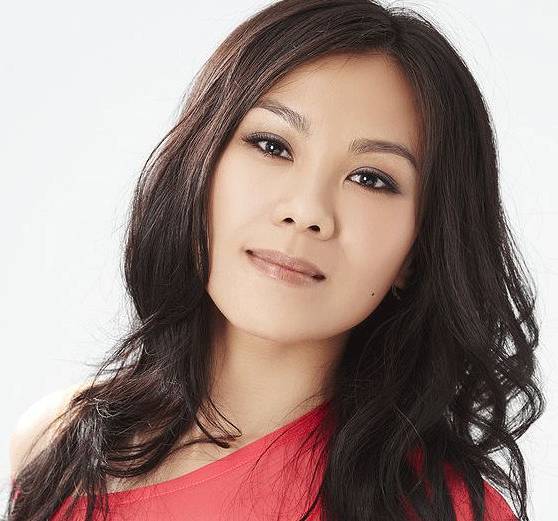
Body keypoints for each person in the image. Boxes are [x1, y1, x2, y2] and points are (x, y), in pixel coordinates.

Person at [5, 0, 544, 520]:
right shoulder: (60, 441)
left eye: (371, 179)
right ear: (200, 165)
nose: (307, 212)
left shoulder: (444, 511)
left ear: (419, 249)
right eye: (272, 146)